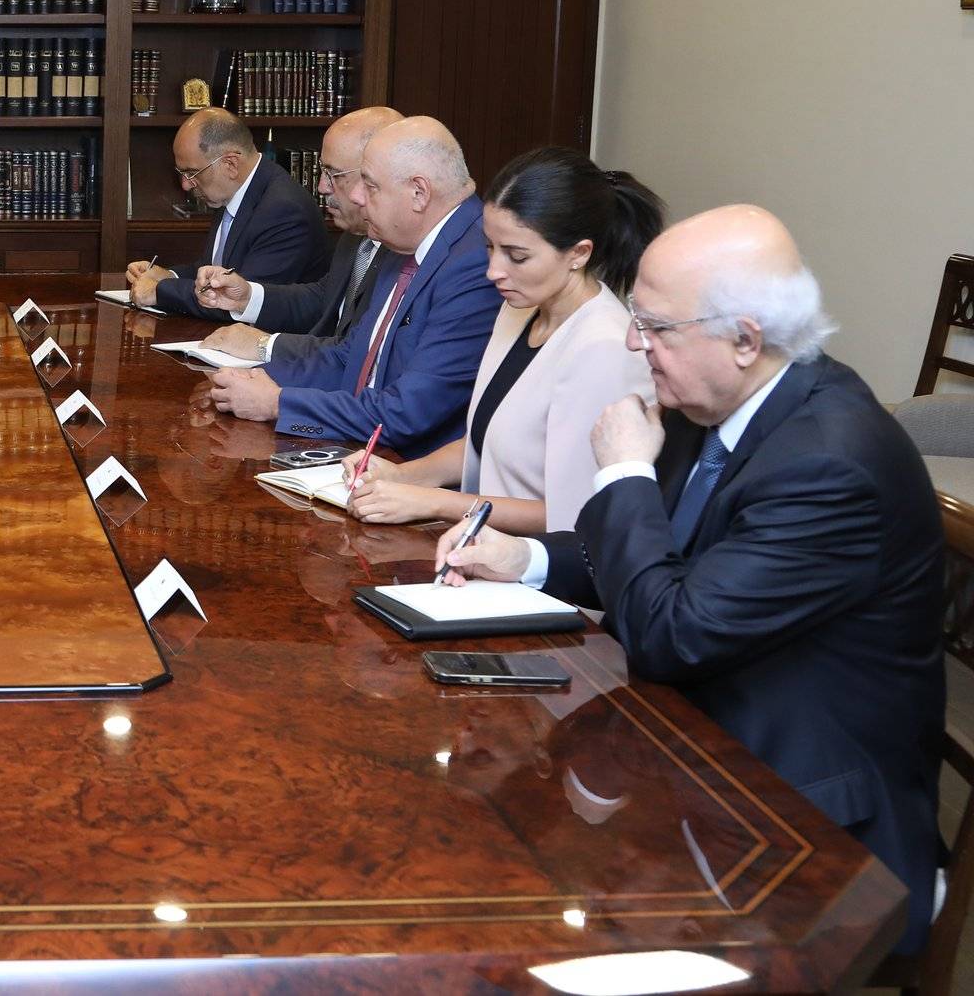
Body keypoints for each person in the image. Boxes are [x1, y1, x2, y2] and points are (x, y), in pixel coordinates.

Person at [432, 205, 944, 955]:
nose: (634, 343)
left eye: (656, 327)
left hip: (801, 821)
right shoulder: (717, 403)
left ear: (745, 339)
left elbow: (672, 633)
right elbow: (656, 564)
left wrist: (625, 471)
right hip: (687, 745)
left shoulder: (829, 463)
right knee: (495, 846)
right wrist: (526, 559)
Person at [333, 147, 661, 535]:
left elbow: (574, 517)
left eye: (516, 256)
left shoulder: (605, 349)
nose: (494, 271)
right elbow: (487, 442)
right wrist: (403, 475)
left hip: (539, 564)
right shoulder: (518, 309)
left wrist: (433, 501)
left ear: (578, 253)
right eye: (490, 247)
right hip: (480, 547)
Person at [206, 117, 501, 456]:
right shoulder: (403, 242)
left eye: (370, 186)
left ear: (419, 193)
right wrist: (252, 378)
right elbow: (350, 358)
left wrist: (278, 403)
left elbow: (407, 413)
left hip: (409, 468)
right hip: (360, 447)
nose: (358, 197)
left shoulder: (476, 263)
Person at [192, 104, 402, 361]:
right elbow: (323, 299)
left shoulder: (405, 249)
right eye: (323, 171)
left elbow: (360, 352)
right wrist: (247, 297)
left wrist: (265, 345)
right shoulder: (356, 234)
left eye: (334, 174)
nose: (322, 187)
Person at [122, 108, 328, 317]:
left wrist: (159, 291)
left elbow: (233, 300)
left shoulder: (284, 210)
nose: (185, 184)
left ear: (230, 164)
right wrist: (168, 275)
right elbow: (215, 270)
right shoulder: (234, 191)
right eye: (181, 173)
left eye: (192, 173)